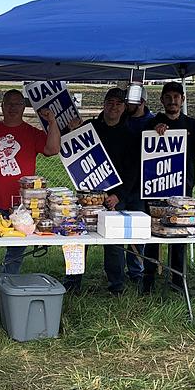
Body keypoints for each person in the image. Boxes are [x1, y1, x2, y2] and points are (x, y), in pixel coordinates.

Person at [0, 89, 61, 292]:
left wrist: (52, 122)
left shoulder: (31, 133)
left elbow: (52, 149)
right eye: (9, 103)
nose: (13, 108)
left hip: (22, 204)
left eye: (17, 104)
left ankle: (8, 283)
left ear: (24, 107)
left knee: (16, 249)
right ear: (2, 105)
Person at [141, 81, 195, 293]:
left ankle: (177, 280)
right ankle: (148, 277)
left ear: (182, 100)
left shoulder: (191, 125)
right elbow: (140, 148)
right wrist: (153, 132)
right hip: (155, 189)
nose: (172, 100)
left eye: (177, 97)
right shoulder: (153, 122)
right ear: (162, 100)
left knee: (179, 234)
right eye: (168, 97)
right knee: (153, 235)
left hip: (182, 191)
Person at [63, 87, 138, 294]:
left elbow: (132, 171)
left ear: (124, 107)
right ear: (103, 104)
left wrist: (118, 196)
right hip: (87, 194)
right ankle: (72, 282)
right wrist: (71, 131)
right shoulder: (90, 127)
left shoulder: (130, 135)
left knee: (113, 243)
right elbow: (69, 150)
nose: (113, 107)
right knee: (78, 239)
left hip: (114, 197)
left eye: (118, 103)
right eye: (110, 103)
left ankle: (117, 285)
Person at [121, 86, 154, 284]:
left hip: (140, 187)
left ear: (141, 102)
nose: (126, 105)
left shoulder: (153, 122)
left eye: (130, 101)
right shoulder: (121, 119)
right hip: (117, 185)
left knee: (137, 232)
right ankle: (116, 272)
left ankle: (136, 271)